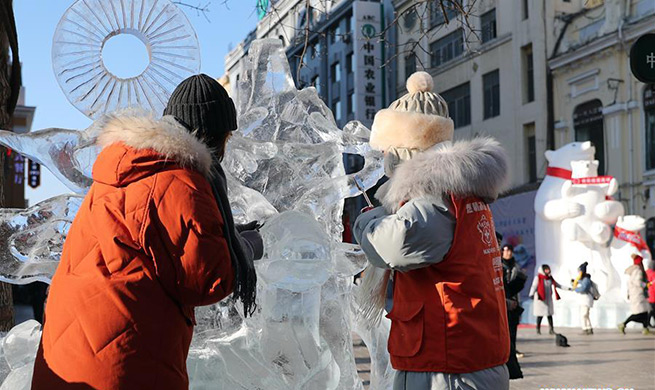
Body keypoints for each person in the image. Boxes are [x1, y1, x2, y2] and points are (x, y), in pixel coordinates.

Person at [31, 74, 263, 389]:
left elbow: (155, 240)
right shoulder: (183, 182)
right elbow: (209, 279)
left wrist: (225, 235)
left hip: (68, 354)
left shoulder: (122, 172)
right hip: (123, 365)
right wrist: (245, 247)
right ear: (216, 137)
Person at [353, 71, 510, 390]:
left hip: (449, 363)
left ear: (406, 147)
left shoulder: (433, 198)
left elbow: (392, 244)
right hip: (454, 355)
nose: (385, 157)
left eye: (389, 148)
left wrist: (367, 218)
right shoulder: (463, 191)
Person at [501, 244, 527, 379]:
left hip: (514, 302)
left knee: (513, 329)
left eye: (510, 250)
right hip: (502, 303)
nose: (508, 253)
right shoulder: (498, 265)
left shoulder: (516, 266)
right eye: (505, 250)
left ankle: (512, 351)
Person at [529, 264, 568, 335]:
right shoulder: (538, 277)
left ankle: (551, 329)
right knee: (540, 315)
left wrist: (568, 288)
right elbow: (534, 286)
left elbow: (558, 285)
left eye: (548, 269)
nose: (547, 271)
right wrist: (531, 294)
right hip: (540, 299)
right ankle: (538, 329)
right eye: (546, 269)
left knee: (549, 315)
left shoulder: (550, 278)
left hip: (548, 299)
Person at [618, 254, 651, 335]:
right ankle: (623, 324)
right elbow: (638, 282)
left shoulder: (634, 271)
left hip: (635, 294)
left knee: (645, 312)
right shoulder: (638, 271)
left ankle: (645, 328)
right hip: (638, 294)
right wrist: (646, 285)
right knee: (638, 313)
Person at [573, 262, 594, 335]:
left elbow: (584, 288)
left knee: (583, 314)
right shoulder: (584, 279)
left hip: (586, 300)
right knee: (586, 314)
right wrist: (575, 282)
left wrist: (575, 288)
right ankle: (589, 328)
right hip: (584, 300)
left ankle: (585, 328)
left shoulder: (586, 280)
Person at [647, 259, 655, 328]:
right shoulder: (653, 274)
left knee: (652, 309)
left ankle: (648, 322)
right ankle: (648, 322)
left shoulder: (646, 272)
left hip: (647, 294)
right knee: (652, 310)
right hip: (652, 295)